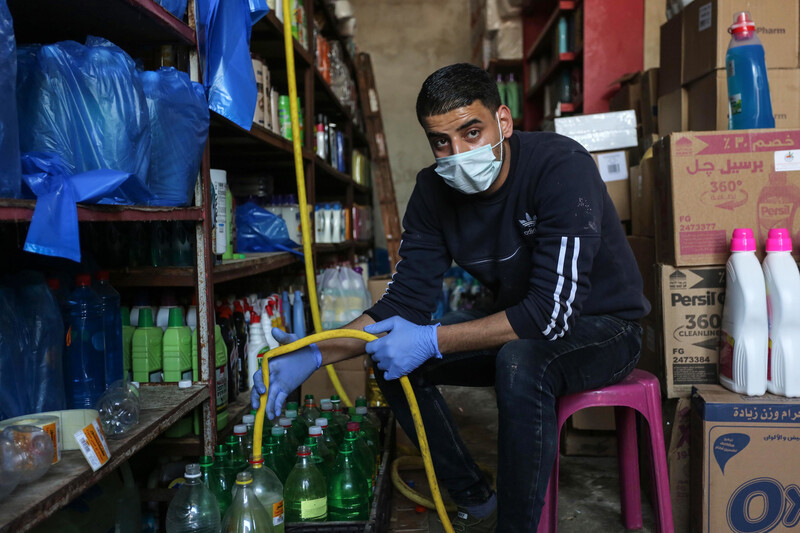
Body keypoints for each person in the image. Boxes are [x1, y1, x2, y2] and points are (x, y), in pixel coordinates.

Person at [251, 63, 650, 531]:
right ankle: (473, 495)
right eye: (441, 141)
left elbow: (552, 314)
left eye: (472, 132)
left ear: (503, 121)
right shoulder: (433, 192)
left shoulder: (560, 167)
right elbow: (398, 307)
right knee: (389, 355)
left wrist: (434, 338)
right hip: (520, 322)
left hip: (605, 328)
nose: (457, 153)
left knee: (519, 363)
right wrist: (314, 352)